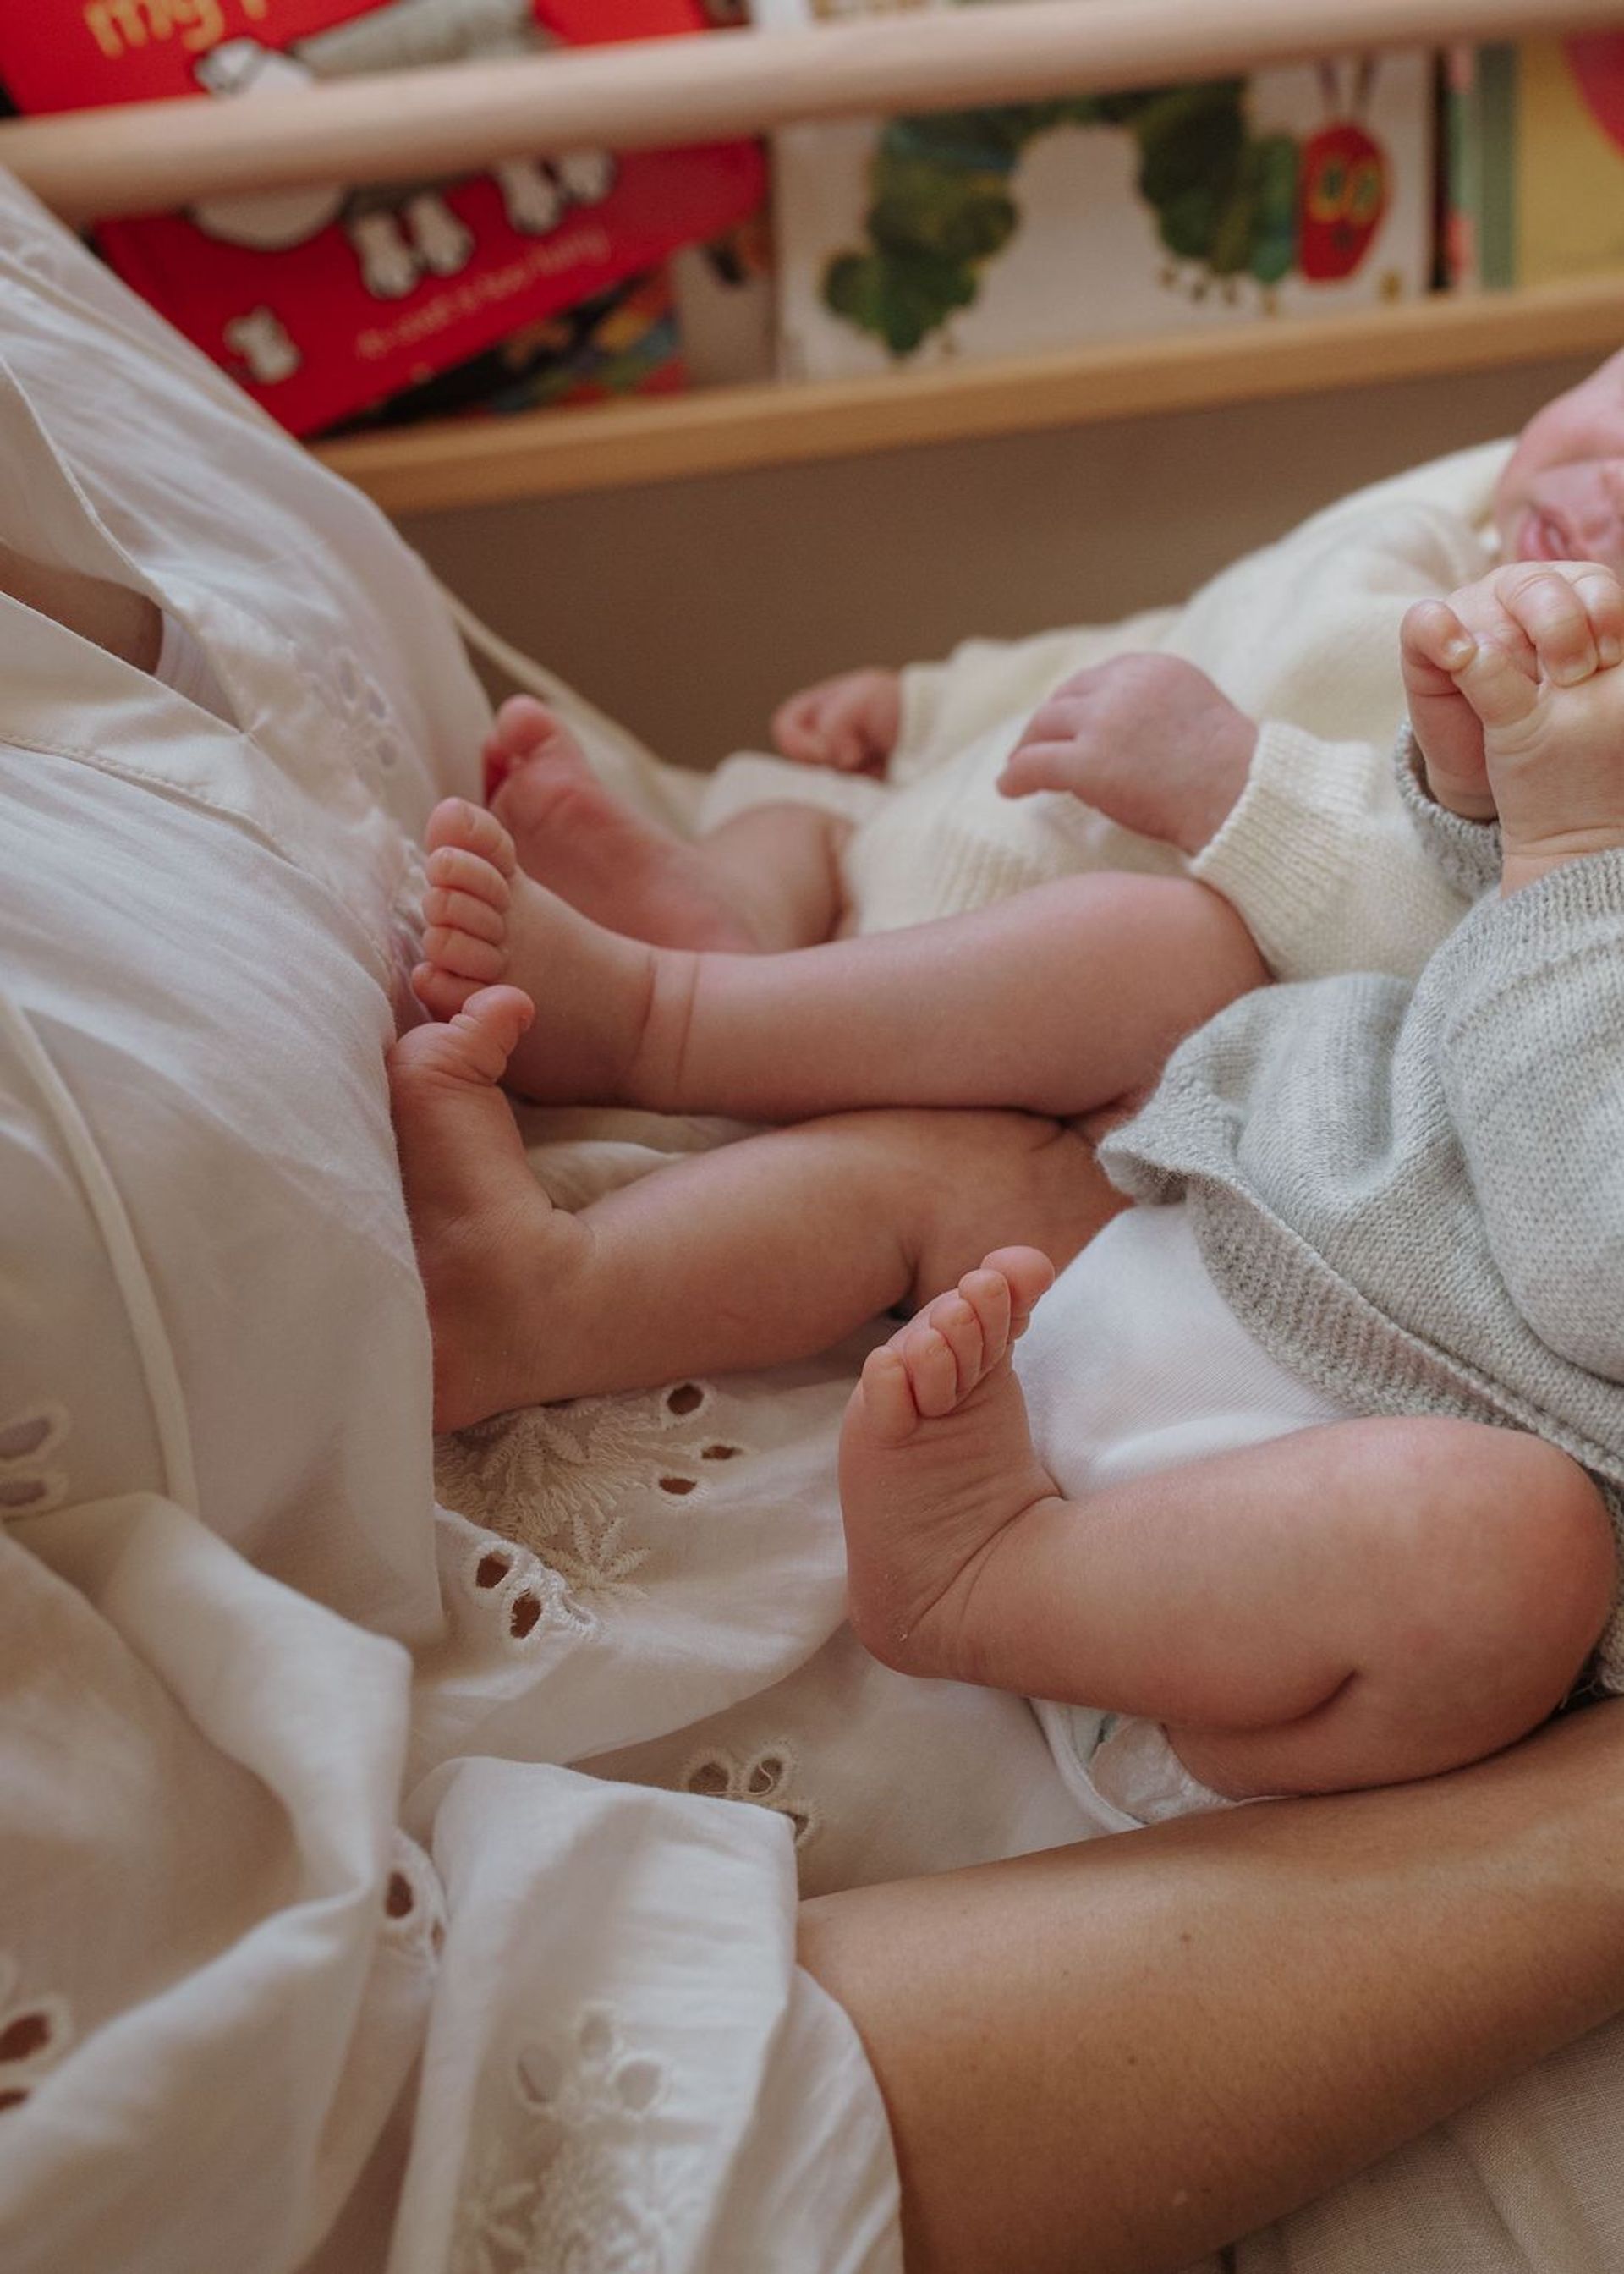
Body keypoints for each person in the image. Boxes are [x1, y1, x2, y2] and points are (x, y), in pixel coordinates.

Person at [388, 555, 1624, 1813]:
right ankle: (600, 1169)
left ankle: (983, 1578)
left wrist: (1571, 849)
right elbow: (1521, 953)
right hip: (1249, 1211)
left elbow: (1593, 1274)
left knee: (1502, 1544)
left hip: (1289, 1512)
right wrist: (1481, 803)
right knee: (1154, 966)